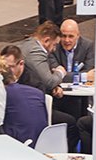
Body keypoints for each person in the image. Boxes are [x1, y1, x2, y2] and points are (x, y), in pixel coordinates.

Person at [19, 22, 80, 151]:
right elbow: (49, 81)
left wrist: (54, 85)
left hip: (33, 96)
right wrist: (60, 72)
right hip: (32, 106)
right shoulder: (36, 51)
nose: (54, 49)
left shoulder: (28, 44)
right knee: (71, 124)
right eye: (54, 44)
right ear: (46, 40)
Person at [2, 48, 48, 145]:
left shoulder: (33, 83)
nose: (5, 71)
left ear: (21, 64)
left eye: (10, 67)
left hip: (22, 137)